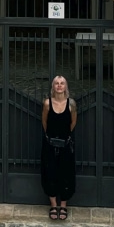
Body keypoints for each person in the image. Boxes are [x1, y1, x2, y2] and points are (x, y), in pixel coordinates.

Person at [41, 75, 77, 219]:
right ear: (53, 86)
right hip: (50, 144)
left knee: (66, 174)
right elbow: (44, 122)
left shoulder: (71, 104)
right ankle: (53, 205)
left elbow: (73, 123)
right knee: (50, 173)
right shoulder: (47, 104)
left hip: (65, 144)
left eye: (62, 83)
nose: (59, 85)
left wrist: (64, 136)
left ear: (66, 86)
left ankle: (63, 205)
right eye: (57, 83)